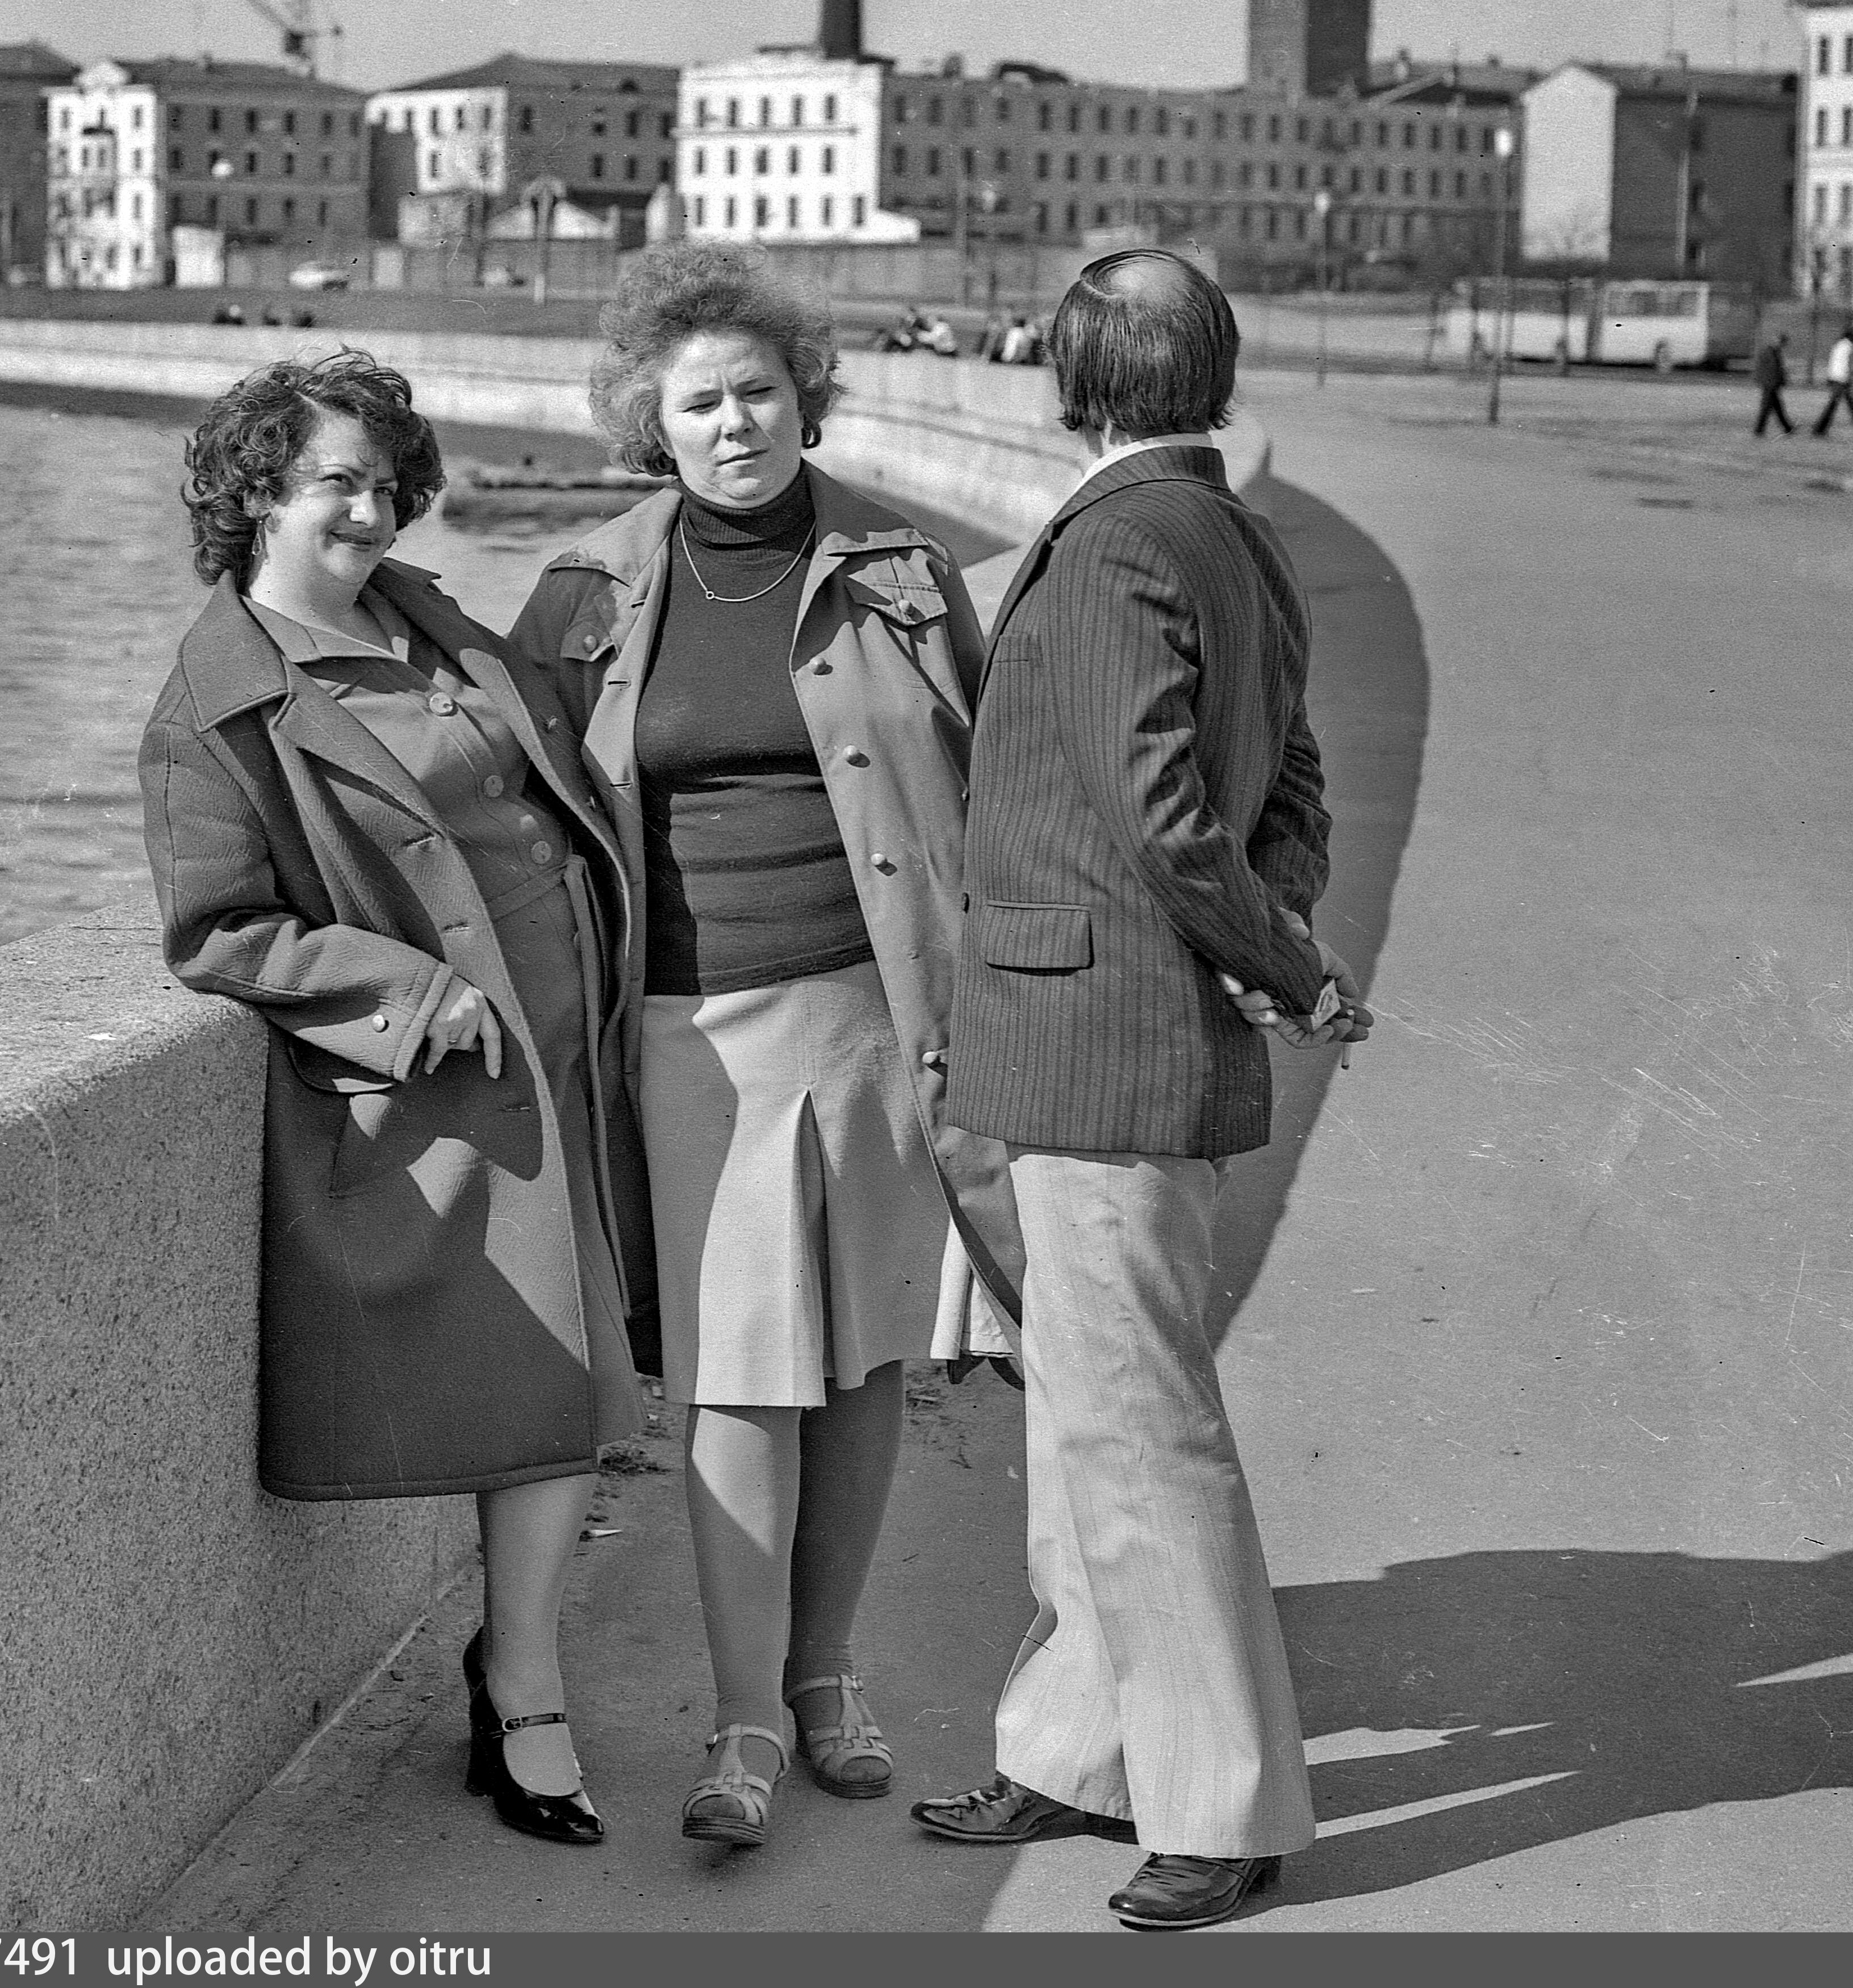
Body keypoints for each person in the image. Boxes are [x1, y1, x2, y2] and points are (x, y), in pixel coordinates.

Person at [512, 242, 1023, 1853]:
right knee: (736, 1377)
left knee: (863, 1361)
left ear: (808, 396)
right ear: (648, 423)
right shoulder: (586, 591)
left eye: (759, 391)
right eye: (700, 403)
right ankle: (741, 1721)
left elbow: (996, 781)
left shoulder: (901, 571)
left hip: (873, 1015)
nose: (735, 423)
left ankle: (825, 1679)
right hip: (690, 1038)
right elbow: (514, 810)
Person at [138, 351, 652, 1852]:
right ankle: (527, 1695)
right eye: (334, 484)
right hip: (449, 1086)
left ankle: (517, 1667)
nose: (369, 511)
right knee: (539, 1391)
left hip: (569, 1053)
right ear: (256, 495)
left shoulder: (420, 615)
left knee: (573, 1387)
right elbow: (218, 931)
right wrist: (407, 994)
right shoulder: (216, 705)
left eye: (385, 482)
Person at [914, 249, 1373, 1933]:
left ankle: (1220, 1798)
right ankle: (1078, 1743)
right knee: (1084, 1419)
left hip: (1095, 1043)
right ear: (1216, 373)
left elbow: (1160, 822)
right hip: (1121, 1032)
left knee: (1137, 1432)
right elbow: (1288, 790)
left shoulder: (1112, 543)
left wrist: (1286, 968)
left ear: (1066, 379)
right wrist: (1275, 936)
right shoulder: (1233, 537)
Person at [1812, 318, 1853, 436]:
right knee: (1842, 405)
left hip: (1834, 378)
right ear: (1852, 336)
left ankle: (1820, 429)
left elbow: (1833, 363)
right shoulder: (1849, 347)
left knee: (1841, 404)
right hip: (1843, 379)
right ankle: (1820, 429)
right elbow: (1849, 364)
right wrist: (1852, 375)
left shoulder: (1838, 345)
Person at [1752, 332, 1795, 435]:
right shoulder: (1772, 352)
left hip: (1769, 382)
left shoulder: (1771, 351)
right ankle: (1759, 430)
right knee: (1768, 407)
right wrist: (1782, 380)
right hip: (1770, 383)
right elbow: (1775, 369)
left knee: (1776, 407)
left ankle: (1787, 428)